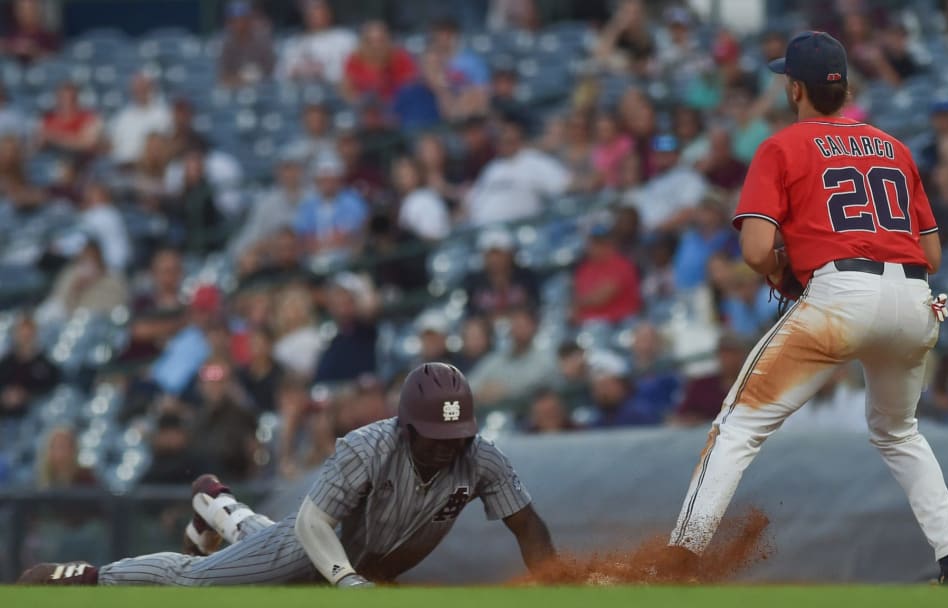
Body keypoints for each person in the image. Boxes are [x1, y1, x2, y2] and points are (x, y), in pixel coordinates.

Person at [663, 32, 948, 586]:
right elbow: (931, 253)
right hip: (915, 300)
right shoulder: (894, 147)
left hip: (842, 296)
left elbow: (756, 250)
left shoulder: (782, 146)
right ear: (845, 87)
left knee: (737, 425)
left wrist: (784, 259)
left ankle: (679, 562)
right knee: (899, 432)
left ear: (794, 89)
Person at [19, 363, 558, 588]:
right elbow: (314, 522)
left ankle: (216, 506)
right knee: (194, 583)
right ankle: (90, 576)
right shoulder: (368, 445)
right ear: (408, 425)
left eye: (457, 435)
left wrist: (555, 582)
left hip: (365, 564)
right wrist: (346, 581)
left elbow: (528, 525)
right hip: (311, 545)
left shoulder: (480, 456)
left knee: (253, 546)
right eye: (436, 437)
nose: (449, 448)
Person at [465, 117, 570, 226]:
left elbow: (564, 184)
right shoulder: (492, 168)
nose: (505, 145)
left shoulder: (535, 161)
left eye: (510, 141)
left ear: (519, 140)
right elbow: (473, 200)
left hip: (522, 229)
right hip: (485, 228)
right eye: (502, 141)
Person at [464, 228, 540, 319]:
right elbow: (471, 314)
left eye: (499, 253)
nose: (494, 259)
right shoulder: (473, 282)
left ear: (510, 254)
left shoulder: (527, 277)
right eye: (490, 254)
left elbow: (535, 306)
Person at [276, 0, 357, 85]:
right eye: (309, 11)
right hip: (301, 94)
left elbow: (353, 71)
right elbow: (280, 75)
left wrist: (323, 71)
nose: (313, 14)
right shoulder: (293, 44)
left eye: (317, 9)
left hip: (335, 95)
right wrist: (298, 71)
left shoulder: (346, 39)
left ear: (328, 12)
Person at [0, 314, 60, 419]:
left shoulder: (46, 364)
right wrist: (6, 396)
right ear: (15, 335)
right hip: (6, 416)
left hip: (34, 415)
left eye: (28, 335)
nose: (25, 338)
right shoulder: (5, 363)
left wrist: (27, 396)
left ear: (35, 335)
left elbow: (51, 388)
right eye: (22, 334)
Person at [108, 73, 173, 166]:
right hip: (122, 167)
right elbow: (112, 144)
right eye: (136, 88)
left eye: (143, 88)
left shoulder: (163, 114)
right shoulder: (123, 116)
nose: (139, 92)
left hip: (149, 168)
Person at [217, 0, 275, 89]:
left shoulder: (262, 41)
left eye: (243, 19)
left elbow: (271, 73)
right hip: (235, 92)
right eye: (235, 20)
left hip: (261, 91)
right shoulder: (227, 45)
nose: (240, 24)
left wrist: (254, 76)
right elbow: (223, 78)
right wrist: (242, 79)